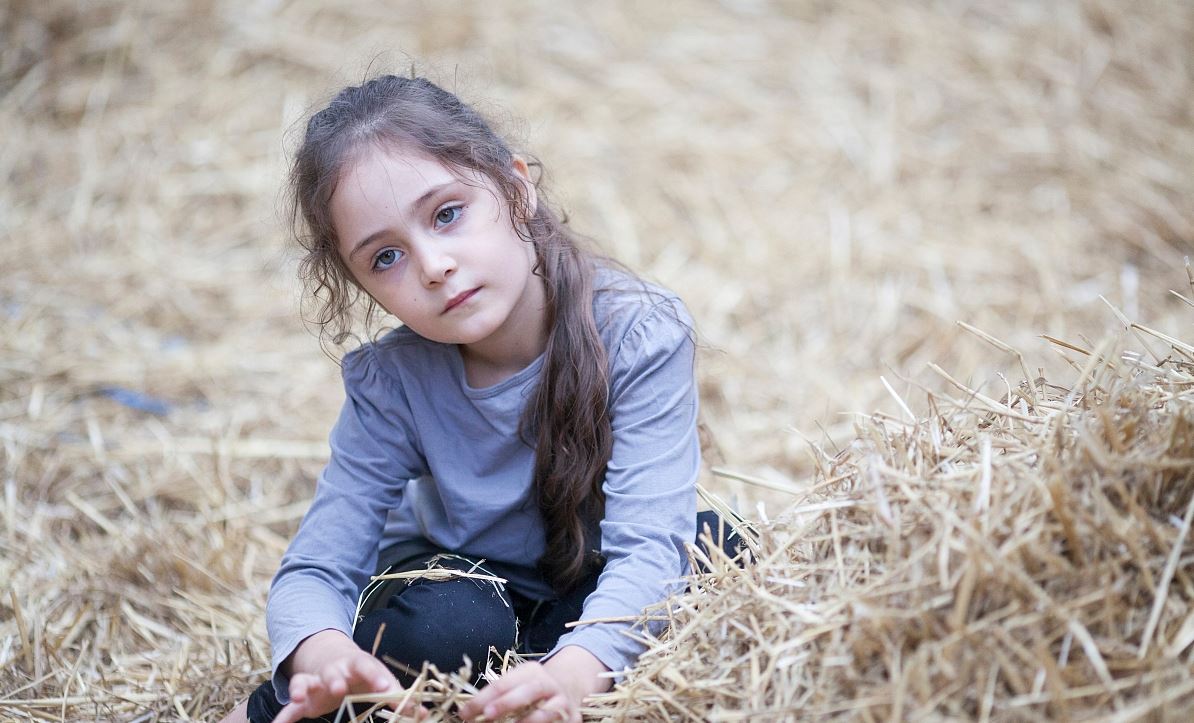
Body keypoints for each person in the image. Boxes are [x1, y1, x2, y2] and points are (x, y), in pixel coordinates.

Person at [222, 74, 734, 723]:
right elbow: (317, 567)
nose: (433, 264)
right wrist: (322, 657)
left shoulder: (639, 333)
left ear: (517, 188)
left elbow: (648, 550)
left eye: (446, 213)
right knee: (449, 626)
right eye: (385, 257)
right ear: (361, 287)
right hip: (464, 594)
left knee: (719, 556)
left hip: (592, 586)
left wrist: (577, 674)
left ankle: (533, 685)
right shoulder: (396, 381)